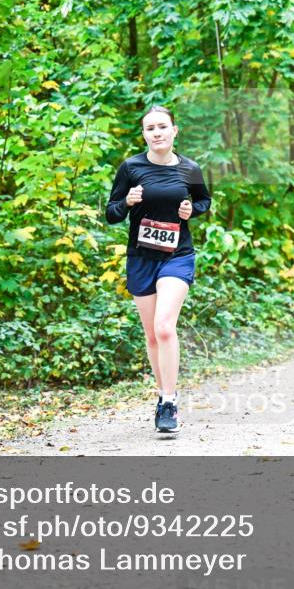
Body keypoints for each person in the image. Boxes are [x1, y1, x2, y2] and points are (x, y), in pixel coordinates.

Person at [106, 106, 212, 432]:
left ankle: (170, 402)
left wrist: (189, 210)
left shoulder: (189, 169)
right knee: (152, 335)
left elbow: (204, 202)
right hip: (141, 258)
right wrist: (128, 202)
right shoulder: (131, 168)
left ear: (174, 131)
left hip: (177, 256)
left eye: (162, 127)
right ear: (144, 135)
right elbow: (111, 213)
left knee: (165, 327)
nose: (157, 133)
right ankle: (162, 393)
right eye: (150, 128)